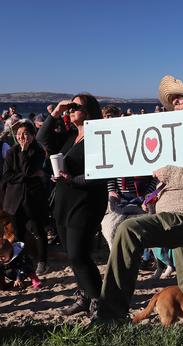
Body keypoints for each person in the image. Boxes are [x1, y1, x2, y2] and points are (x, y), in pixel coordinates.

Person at [95, 75, 183, 324]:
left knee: (128, 231)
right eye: (175, 99)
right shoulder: (177, 137)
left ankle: (109, 317)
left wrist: (166, 172)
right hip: (181, 215)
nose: (177, 102)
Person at [36, 93, 108, 315]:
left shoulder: (98, 139)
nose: (70, 109)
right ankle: (83, 297)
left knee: (78, 254)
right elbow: (42, 138)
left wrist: (72, 179)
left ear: (89, 111)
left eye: (75, 106)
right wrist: (55, 113)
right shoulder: (70, 137)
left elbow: (101, 174)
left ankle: (98, 300)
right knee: (71, 254)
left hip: (86, 202)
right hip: (64, 201)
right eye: (70, 106)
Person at [2, 121, 49, 274]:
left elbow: (28, 170)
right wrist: (29, 175)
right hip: (14, 200)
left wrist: (24, 151)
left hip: (32, 198)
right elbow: (7, 176)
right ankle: (23, 263)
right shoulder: (11, 151)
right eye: (19, 134)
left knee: (38, 229)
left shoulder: (38, 151)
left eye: (26, 134)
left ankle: (42, 261)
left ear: (33, 136)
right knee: (19, 233)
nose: (22, 137)